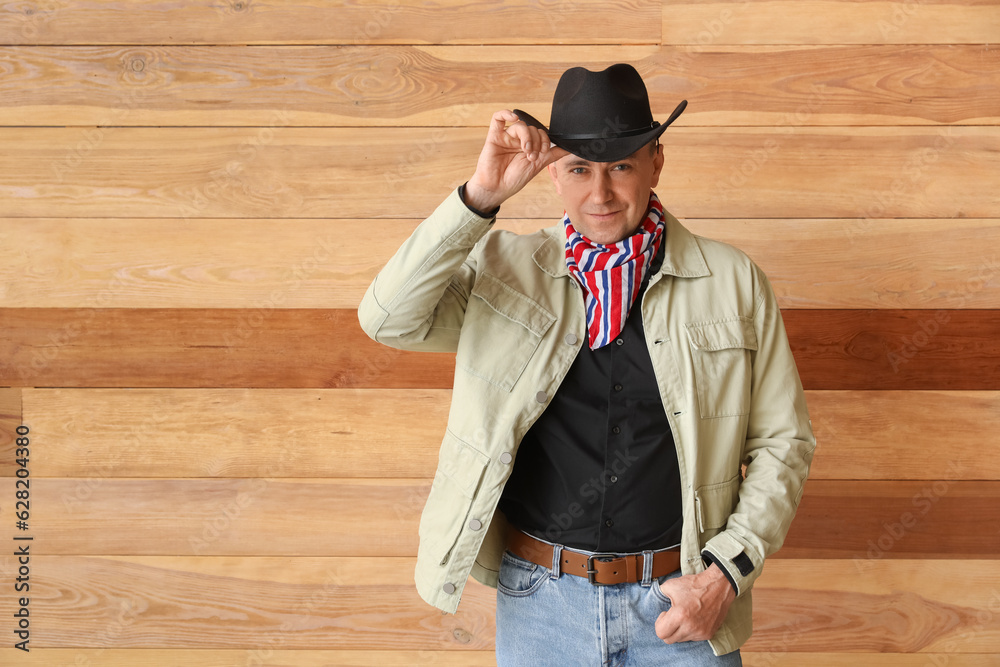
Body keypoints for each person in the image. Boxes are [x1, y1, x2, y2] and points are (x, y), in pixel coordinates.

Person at [359, 63, 815, 665]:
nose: (599, 194)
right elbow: (388, 318)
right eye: (578, 169)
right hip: (542, 603)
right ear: (552, 175)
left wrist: (724, 576)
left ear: (656, 162)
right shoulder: (504, 272)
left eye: (620, 166)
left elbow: (785, 442)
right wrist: (481, 196)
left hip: (682, 603)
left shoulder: (731, 282)